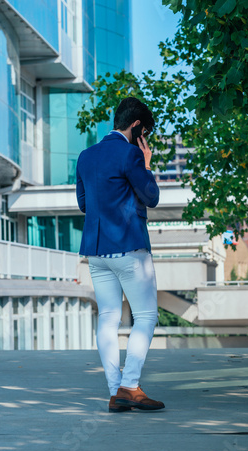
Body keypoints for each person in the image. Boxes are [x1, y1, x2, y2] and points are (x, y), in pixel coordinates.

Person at [76, 97, 165, 413]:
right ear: (137, 126)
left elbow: (85, 205)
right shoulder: (131, 154)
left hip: (96, 252)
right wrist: (146, 163)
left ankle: (116, 391)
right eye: (146, 132)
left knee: (109, 317)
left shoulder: (86, 156)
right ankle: (130, 385)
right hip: (129, 247)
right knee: (146, 316)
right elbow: (151, 197)